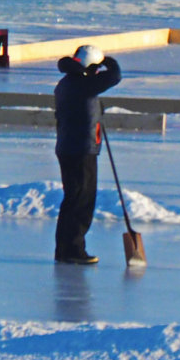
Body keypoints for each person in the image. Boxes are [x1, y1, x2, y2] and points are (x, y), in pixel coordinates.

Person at [54, 45, 122, 264]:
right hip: (80, 149)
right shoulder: (81, 85)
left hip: (71, 148)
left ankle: (65, 249)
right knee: (81, 201)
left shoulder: (67, 83)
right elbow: (114, 77)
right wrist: (109, 62)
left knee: (73, 199)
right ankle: (73, 249)